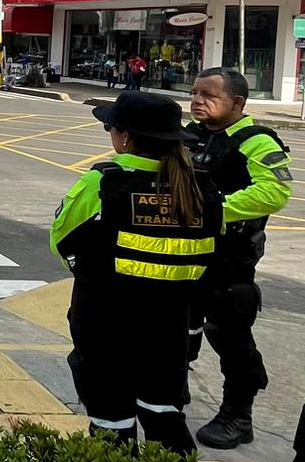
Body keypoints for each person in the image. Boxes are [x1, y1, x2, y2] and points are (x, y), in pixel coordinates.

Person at [50, 92, 221, 456]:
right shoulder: (200, 186)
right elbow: (210, 252)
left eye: (111, 127)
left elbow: (61, 241)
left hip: (106, 322)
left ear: (125, 137)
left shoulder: (104, 182)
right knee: (164, 414)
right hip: (170, 323)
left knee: (111, 422)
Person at [184, 67, 291, 449]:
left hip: (230, 258)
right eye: (194, 93)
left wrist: (214, 212)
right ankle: (171, 389)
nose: (197, 101)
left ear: (237, 102)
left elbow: (274, 192)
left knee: (229, 335)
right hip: (184, 253)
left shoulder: (256, 141)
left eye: (208, 95)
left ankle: (238, 415)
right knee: (179, 324)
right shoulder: (190, 134)